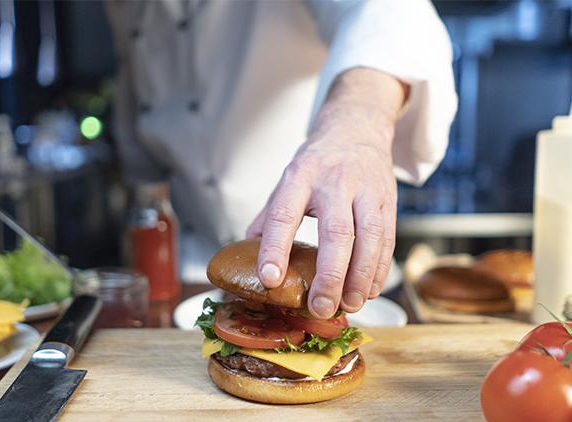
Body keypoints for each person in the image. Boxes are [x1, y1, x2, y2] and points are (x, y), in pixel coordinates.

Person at [105, 0, 457, 319]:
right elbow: (135, 92)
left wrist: (355, 127)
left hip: (344, 284)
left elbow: (388, 13)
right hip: (187, 277)